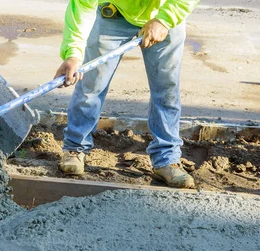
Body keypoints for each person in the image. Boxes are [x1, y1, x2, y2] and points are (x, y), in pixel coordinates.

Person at [55, 0, 199, 188]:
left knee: (166, 89)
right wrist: (73, 54)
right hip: (113, 14)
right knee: (91, 85)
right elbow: (82, 6)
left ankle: (166, 159)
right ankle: (75, 148)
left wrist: (165, 20)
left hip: (164, 11)